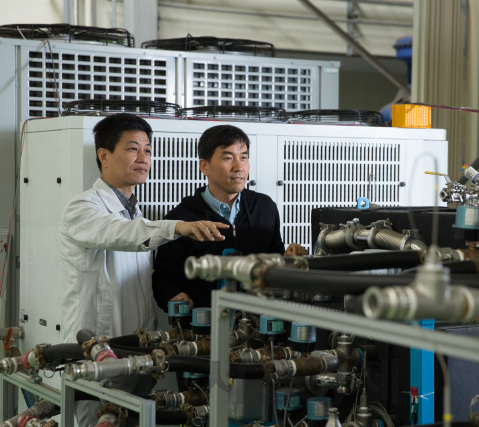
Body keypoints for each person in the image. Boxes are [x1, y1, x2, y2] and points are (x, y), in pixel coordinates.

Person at [58, 113, 228, 427]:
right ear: (104, 155)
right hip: (98, 355)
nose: (143, 158)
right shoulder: (83, 207)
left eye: (148, 150)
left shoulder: (136, 212)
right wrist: (178, 226)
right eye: (133, 149)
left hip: (139, 354)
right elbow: (119, 233)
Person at [152, 124, 307, 312]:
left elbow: (273, 256)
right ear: (204, 166)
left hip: (258, 324)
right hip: (204, 329)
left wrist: (287, 259)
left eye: (244, 157)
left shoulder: (265, 207)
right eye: (228, 158)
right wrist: (172, 296)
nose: (239, 167)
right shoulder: (181, 218)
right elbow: (164, 277)